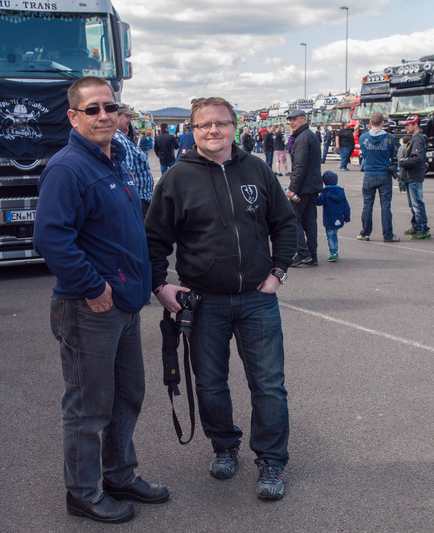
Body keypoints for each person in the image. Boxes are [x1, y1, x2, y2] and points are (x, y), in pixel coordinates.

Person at [145, 97, 297, 501]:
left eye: (221, 124)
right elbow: (153, 239)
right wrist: (159, 285)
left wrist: (277, 273)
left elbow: (285, 224)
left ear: (235, 126)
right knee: (210, 384)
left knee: (268, 385)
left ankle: (271, 461)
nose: (213, 131)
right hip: (204, 301)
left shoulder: (257, 169)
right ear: (191, 131)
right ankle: (224, 445)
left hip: (257, 300)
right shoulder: (177, 179)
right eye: (204, 125)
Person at [33, 77, 169, 525]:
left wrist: (149, 283)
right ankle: (83, 491)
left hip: (125, 305)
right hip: (88, 308)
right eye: (92, 109)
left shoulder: (117, 161)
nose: (104, 116)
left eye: (109, 107)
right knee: (89, 406)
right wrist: (93, 287)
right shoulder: (68, 168)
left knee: (127, 395)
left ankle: (119, 474)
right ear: (73, 117)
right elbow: (52, 239)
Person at [286, 109, 323, 267]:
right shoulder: (309, 135)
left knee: (292, 217)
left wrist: (292, 189)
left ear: (303, 119)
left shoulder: (302, 138)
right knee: (309, 221)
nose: (291, 123)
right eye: (290, 120)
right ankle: (312, 254)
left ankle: (303, 253)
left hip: (302, 188)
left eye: (294, 119)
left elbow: (299, 167)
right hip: (312, 186)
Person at [356, 111, 400, 242]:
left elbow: (364, 153)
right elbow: (392, 154)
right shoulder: (389, 137)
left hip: (369, 173)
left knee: (367, 205)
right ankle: (388, 234)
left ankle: (365, 233)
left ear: (370, 122)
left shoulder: (363, 138)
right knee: (386, 205)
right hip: (384, 173)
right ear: (383, 123)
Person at [115, 103, 155, 217]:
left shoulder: (122, 137)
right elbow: (128, 175)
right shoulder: (119, 138)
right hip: (138, 200)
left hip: (140, 199)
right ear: (116, 116)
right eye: (126, 116)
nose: (130, 119)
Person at [400, 115, 430, 239]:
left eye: (408, 124)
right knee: (413, 204)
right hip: (410, 176)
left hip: (414, 176)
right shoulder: (414, 138)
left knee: (417, 203)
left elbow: (417, 159)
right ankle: (416, 226)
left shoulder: (418, 139)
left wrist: (403, 162)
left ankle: (423, 229)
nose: (406, 127)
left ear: (415, 124)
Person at [316, 170, 350, 262]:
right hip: (339, 217)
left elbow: (319, 202)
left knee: (330, 235)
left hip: (329, 217)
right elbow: (346, 205)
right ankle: (335, 251)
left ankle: (333, 252)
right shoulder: (341, 192)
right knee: (334, 234)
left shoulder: (325, 192)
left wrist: (315, 195)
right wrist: (347, 217)